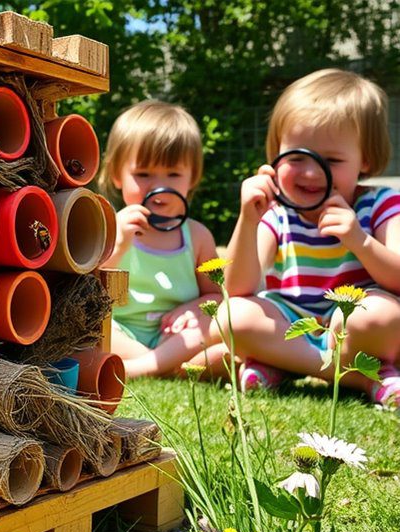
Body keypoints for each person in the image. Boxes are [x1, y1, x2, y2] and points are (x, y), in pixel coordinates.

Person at [220, 68, 400, 406]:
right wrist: (248, 219)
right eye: (297, 157)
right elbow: (237, 288)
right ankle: (362, 378)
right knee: (232, 315)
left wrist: (359, 240)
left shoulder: (382, 204)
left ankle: (282, 365)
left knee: (380, 317)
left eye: (331, 160)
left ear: (366, 160)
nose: (311, 172)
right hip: (289, 326)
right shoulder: (276, 213)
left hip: (355, 330)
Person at [100, 100, 222, 378]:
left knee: (223, 325)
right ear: (117, 175)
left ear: (193, 177)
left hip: (176, 336)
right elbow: (91, 292)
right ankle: (166, 366)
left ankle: (143, 367)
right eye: (143, 174)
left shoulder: (197, 236)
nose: (159, 187)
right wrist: (118, 246)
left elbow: (217, 294)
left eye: (173, 174)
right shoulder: (110, 228)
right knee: (91, 331)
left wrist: (194, 309)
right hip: (121, 333)